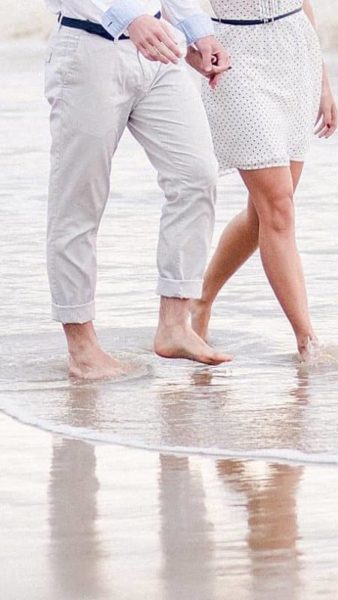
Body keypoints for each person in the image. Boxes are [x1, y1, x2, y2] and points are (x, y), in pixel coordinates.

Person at [44, 0, 233, 379]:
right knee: (79, 202)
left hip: (158, 50)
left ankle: (175, 325)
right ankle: (82, 347)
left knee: (197, 175)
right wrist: (129, 17)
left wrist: (199, 32)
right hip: (89, 49)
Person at [185, 0, 338, 361]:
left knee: (264, 216)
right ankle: (307, 341)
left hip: (296, 55)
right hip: (235, 57)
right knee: (279, 208)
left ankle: (201, 300)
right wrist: (189, 47)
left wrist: (323, 82)